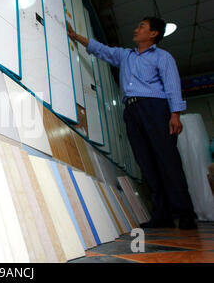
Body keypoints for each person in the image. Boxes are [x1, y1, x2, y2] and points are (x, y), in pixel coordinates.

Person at [66, 17, 197, 229]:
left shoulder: (162, 57)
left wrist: (175, 114)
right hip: (132, 112)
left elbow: (172, 84)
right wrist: (75, 36)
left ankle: (185, 213)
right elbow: (101, 50)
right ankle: (162, 215)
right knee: (146, 163)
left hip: (155, 109)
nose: (136, 29)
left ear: (153, 34)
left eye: (142, 27)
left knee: (167, 160)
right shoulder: (125, 55)